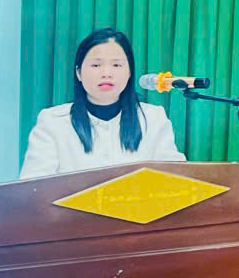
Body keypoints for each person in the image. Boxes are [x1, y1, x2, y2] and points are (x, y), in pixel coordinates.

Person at [19, 27, 185, 179]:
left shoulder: (154, 118)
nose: (106, 73)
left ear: (129, 72)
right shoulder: (53, 122)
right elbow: (34, 188)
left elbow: (176, 180)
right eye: (96, 65)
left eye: (116, 65)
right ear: (78, 73)